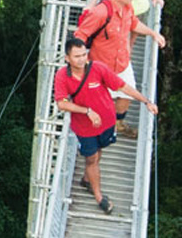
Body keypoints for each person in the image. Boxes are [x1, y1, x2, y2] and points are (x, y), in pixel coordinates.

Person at [52, 35, 156, 215]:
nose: (82, 59)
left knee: (98, 153)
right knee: (92, 159)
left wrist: (146, 101)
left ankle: (87, 179)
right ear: (67, 58)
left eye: (84, 54)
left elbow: (122, 86)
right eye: (77, 56)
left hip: (107, 122)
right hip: (85, 129)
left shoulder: (97, 68)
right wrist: (87, 111)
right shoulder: (62, 76)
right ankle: (99, 195)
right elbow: (61, 103)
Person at [75, 0, 165, 130]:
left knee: (126, 95)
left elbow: (134, 24)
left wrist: (153, 34)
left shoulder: (128, 8)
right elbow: (80, 35)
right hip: (101, 66)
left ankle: (117, 123)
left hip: (122, 63)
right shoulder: (100, 13)